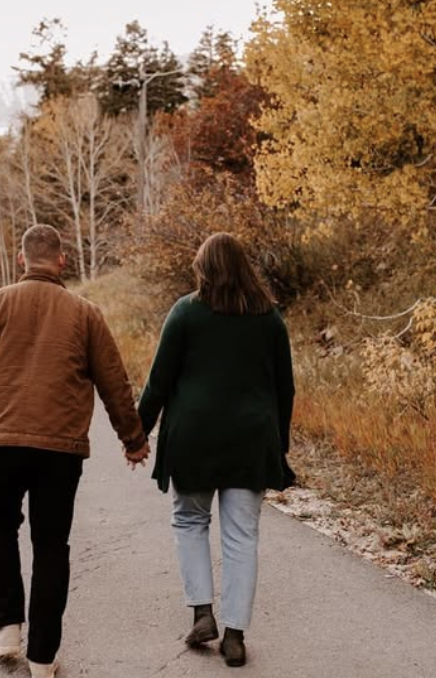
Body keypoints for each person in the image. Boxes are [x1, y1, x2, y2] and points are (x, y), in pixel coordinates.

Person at [0, 224, 150, 678]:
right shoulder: (85, 312)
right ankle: (42, 657)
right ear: (61, 261)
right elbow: (113, 382)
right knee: (51, 545)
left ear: (22, 260)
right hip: (59, 448)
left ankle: (7, 630)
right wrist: (133, 439)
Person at [138, 232, 295, 668]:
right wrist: (277, 446)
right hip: (250, 442)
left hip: (194, 440)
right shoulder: (269, 318)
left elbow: (159, 382)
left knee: (189, 520)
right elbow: (285, 388)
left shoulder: (186, 312)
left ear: (202, 269)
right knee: (242, 537)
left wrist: (138, 432)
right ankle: (235, 636)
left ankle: (202, 611)